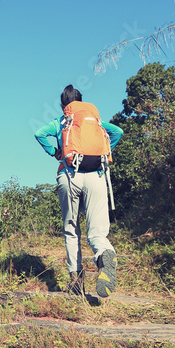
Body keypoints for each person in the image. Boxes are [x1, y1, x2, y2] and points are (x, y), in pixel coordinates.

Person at [34, 85, 124, 297]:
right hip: (97, 175)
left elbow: (39, 134)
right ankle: (103, 255)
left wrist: (55, 152)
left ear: (64, 105)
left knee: (71, 228)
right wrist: (105, 151)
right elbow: (118, 132)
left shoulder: (61, 122)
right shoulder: (96, 122)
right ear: (81, 102)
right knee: (98, 231)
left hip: (69, 175)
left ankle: (76, 280)